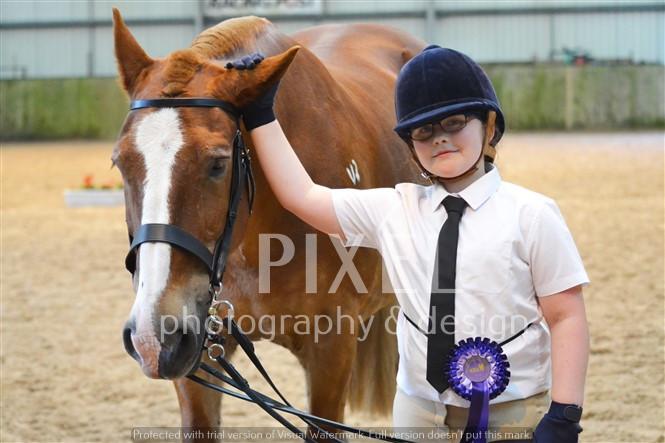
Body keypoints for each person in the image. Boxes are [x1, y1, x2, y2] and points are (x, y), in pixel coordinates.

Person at [226, 45, 590, 442]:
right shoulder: (394, 208)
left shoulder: (533, 215)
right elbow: (302, 196)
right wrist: (262, 114)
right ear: (411, 146)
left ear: (488, 126)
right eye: (424, 131)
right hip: (419, 411)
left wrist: (564, 413)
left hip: (513, 408)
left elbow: (565, 316)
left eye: (454, 122)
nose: (440, 139)